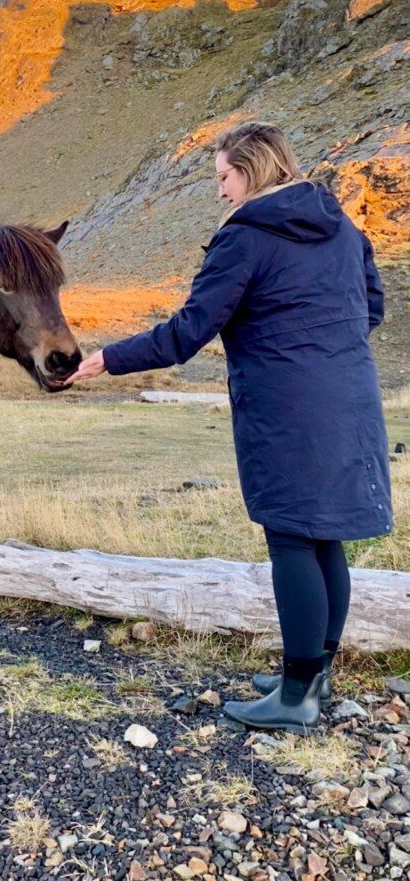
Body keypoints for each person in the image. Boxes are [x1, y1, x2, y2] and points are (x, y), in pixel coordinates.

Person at [65, 121, 392, 733]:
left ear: (252, 169)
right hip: (349, 396)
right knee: (326, 538)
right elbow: (370, 305)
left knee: (292, 537)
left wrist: (107, 358)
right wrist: (322, 350)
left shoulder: (246, 237)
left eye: (223, 178)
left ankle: (296, 699)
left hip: (287, 406)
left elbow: (188, 333)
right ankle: (312, 676)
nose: (220, 193)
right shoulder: (341, 226)